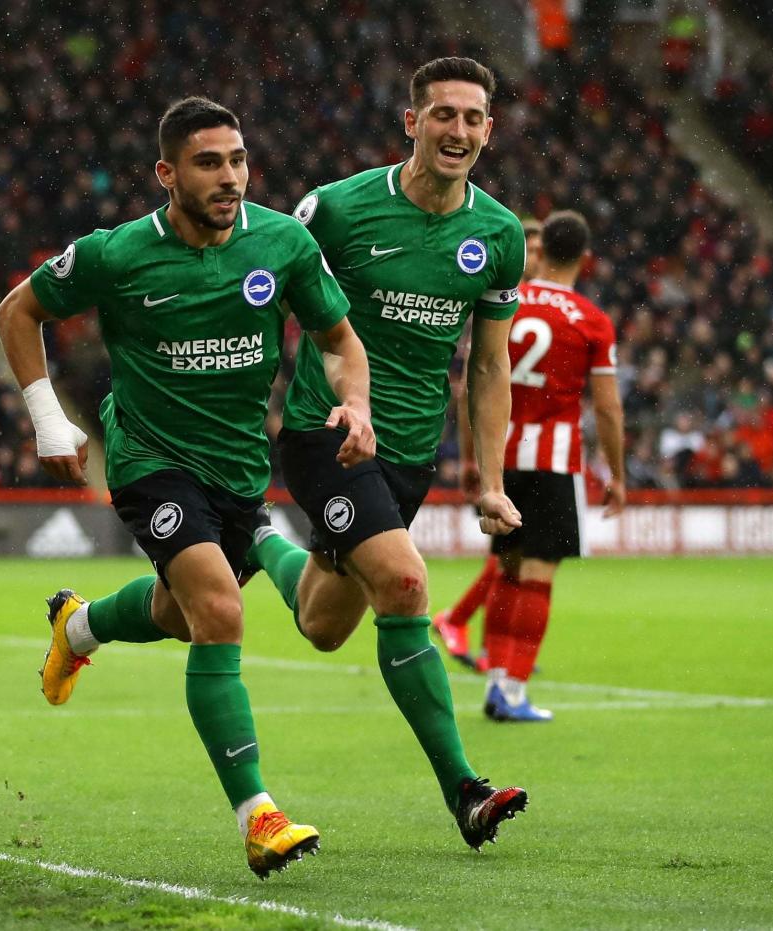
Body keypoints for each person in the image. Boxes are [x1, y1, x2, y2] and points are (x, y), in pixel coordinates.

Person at [0, 97, 374, 878]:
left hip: (237, 466)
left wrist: (356, 402)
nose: (229, 176)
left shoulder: (283, 242)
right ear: (167, 174)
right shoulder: (119, 253)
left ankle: (79, 627)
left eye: (237, 160)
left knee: (179, 611)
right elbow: (17, 310)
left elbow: (340, 340)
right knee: (221, 608)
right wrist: (49, 418)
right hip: (149, 456)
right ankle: (258, 816)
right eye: (209, 162)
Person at [246, 57, 529, 850]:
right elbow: (262, 301)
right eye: (444, 114)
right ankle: (465, 791)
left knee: (324, 624)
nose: (459, 131)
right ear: (412, 122)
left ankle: (257, 538)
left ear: (489, 131)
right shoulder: (333, 209)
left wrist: (490, 480)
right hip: (325, 434)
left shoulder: (499, 235)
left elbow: (489, 364)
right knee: (406, 583)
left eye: (474, 119)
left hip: (408, 451)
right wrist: (246, 414)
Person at [468, 211, 625, 721]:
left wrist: (477, 457)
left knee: (508, 572)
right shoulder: (591, 318)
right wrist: (618, 474)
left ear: (540, 251)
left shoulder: (506, 303)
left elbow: (478, 377)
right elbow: (607, 407)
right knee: (537, 577)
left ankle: (496, 681)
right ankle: (514, 691)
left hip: (504, 457)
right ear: (584, 257)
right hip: (553, 461)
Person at [434, 217, 544, 671]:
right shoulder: (499, 306)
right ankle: (468, 628)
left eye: (539, 250)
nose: (534, 258)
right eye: (530, 249)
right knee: (514, 555)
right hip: (508, 449)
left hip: (529, 446)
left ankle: (487, 640)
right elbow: (475, 384)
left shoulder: (540, 309)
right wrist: (470, 455)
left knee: (513, 556)